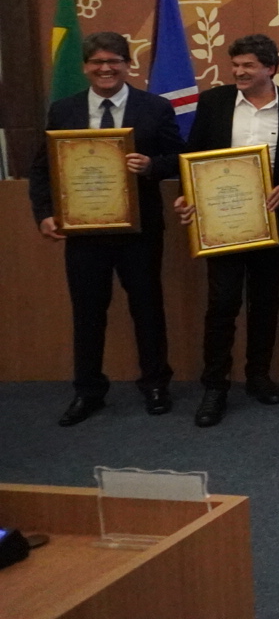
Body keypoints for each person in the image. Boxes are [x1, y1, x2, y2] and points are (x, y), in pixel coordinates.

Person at [30, 32, 184, 426]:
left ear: (127, 65)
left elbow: (179, 158)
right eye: (97, 62)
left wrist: (150, 165)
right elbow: (42, 168)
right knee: (87, 312)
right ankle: (88, 391)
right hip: (84, 233)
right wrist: (44, 213)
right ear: (85, 67)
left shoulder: (155, 108)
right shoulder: (63, 111)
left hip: (140, 231)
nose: (105, 69)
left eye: (114, 61)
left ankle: (154, 384)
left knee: (147, 309)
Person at [175, 34, 279, 427]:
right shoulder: (214, 103)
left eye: (248, 66)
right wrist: (187, 195)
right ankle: (215, 386)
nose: (239, 72)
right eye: (236, 65)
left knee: (265, 301)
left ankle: (258, 376)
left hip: (271, 222)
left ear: (270, 68)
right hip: (221, 223)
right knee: (223, 303)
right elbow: (192, 156)